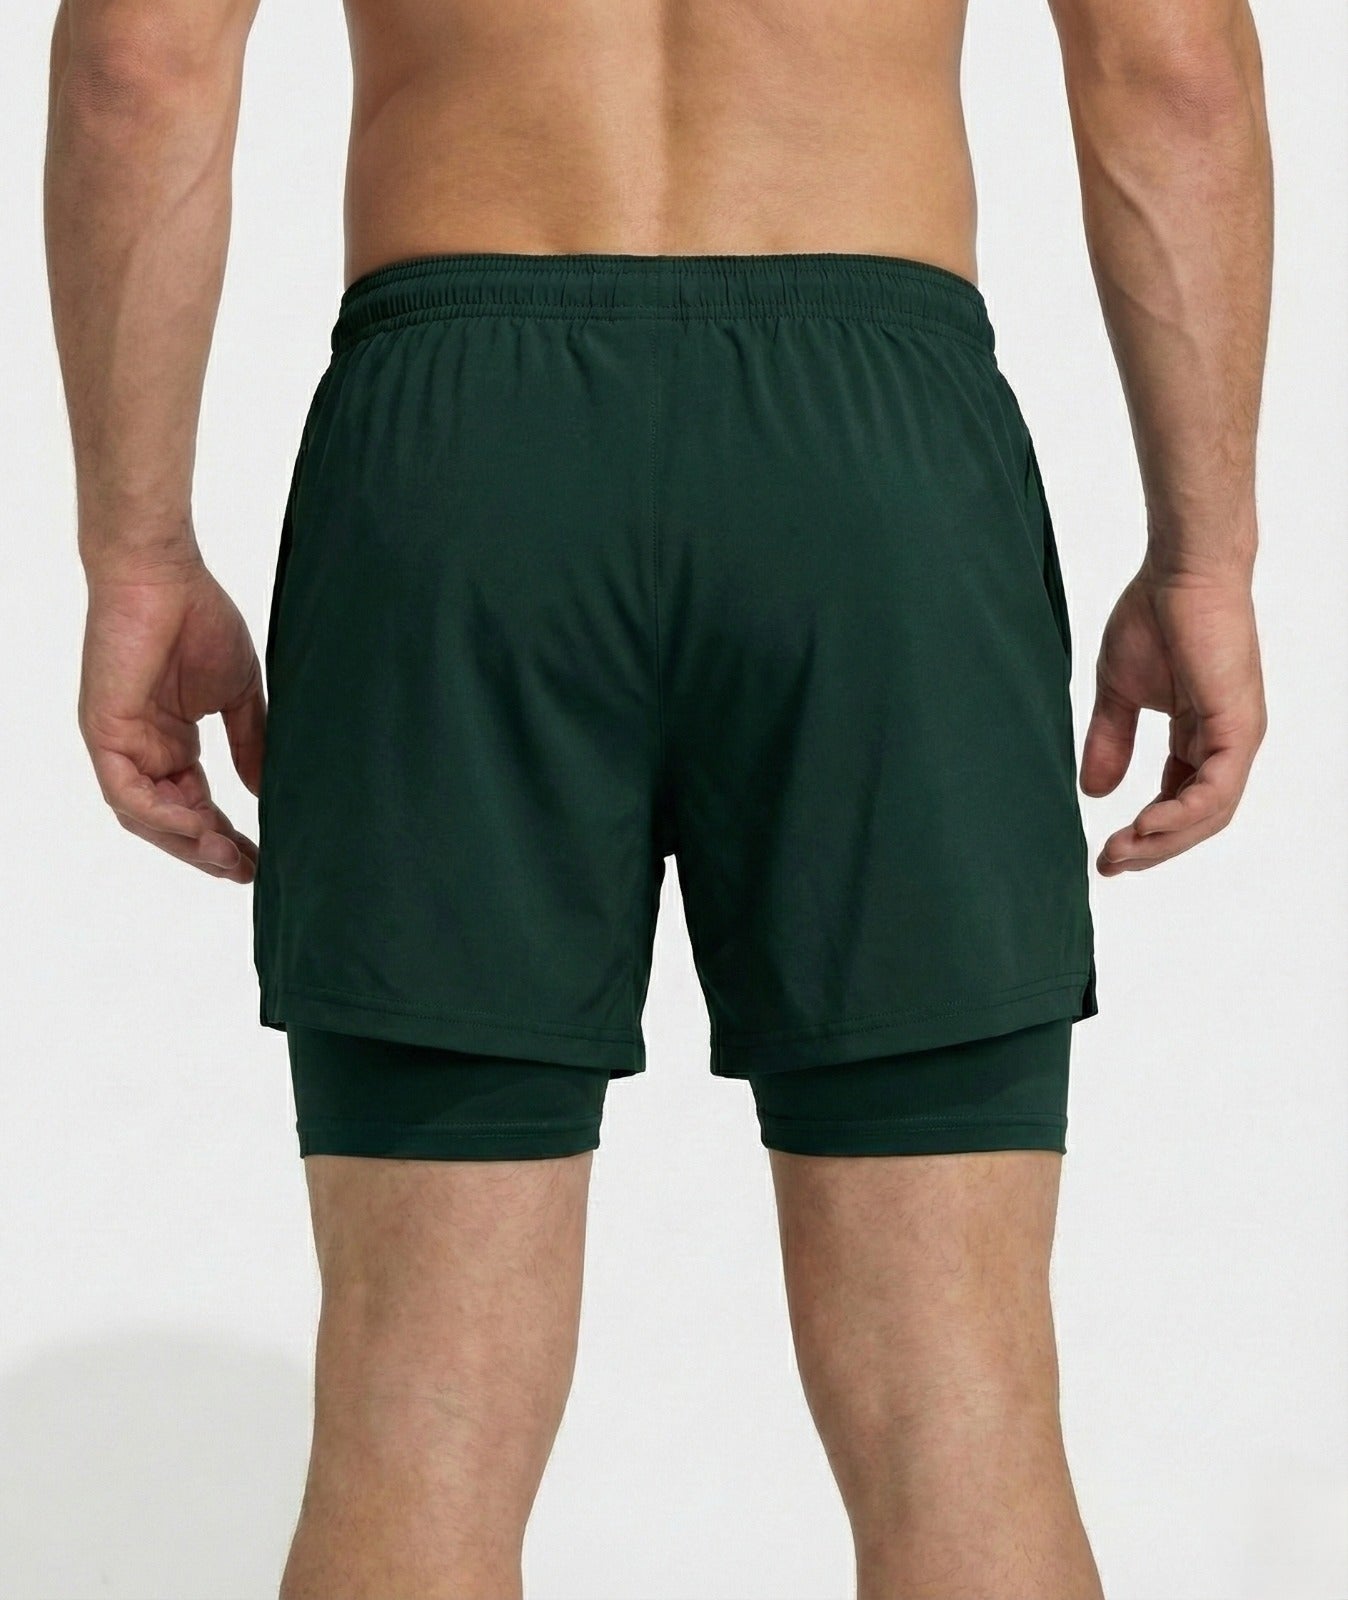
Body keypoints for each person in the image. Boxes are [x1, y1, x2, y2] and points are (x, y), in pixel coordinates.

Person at [44, 0, 1270, 1590]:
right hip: (875, 467)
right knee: (959, 1415)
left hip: (462, 457)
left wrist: (135, 553)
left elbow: (138, 60)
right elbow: (1172, 65)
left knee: (414, 1424)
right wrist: (1204, 556)